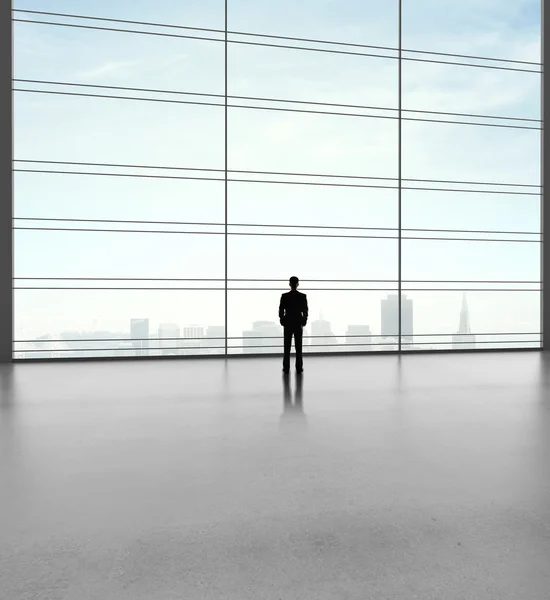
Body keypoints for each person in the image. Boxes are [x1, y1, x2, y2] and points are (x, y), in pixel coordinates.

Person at [279, 276, 308, 374]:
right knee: (298, 347)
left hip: (288, 323)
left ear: (289, 284)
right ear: (298, 284)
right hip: (298, 323)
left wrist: (282, 319)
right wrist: (304, 320)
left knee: (287, 347)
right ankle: (299, 368)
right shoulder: (302, 296)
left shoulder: (284, 296)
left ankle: (286, 368)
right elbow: (305, 310)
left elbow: (281, 310)